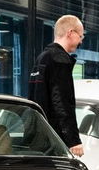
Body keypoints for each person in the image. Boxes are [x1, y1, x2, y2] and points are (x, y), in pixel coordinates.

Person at [29, 14, 85, 156]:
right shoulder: (60, 60)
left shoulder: (42, 58)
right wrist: (73, 140)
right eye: (80, 36)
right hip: (54, 139)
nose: (81, 41)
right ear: (70, 33)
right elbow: (61, 102)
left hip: (38, 135)